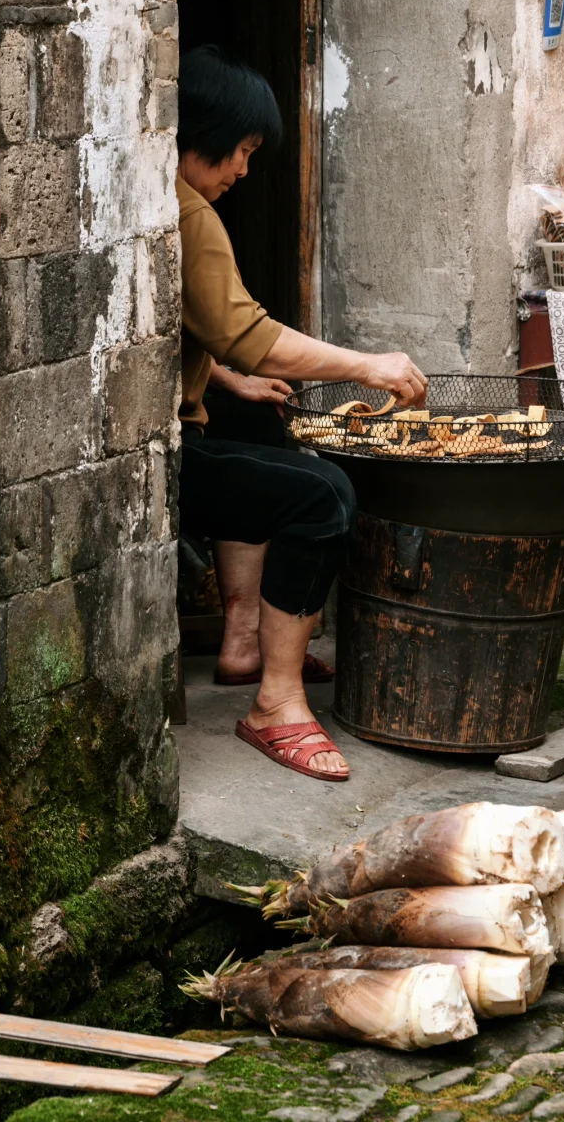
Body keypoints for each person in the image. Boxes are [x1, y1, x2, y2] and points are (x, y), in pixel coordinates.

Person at [176, 45, 427, 782]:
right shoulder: (190, 215)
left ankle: (245, 641)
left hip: (177, 420)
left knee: (262, 419)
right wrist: (368, 364)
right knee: (323, 496)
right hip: (158, 462)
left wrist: (223, 379)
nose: (243, 172)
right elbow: (246, 333)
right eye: (241, 152)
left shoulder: (160, 194)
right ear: (207, 132)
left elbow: (182, 326)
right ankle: (275, 706)